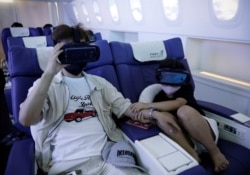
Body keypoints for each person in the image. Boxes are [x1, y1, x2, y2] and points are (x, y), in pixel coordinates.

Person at [19, 23, 146, 175]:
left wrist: (153, 113)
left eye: (82, 49)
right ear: (58, 52)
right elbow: (26, 119)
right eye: (73, 50)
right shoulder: (46, 85)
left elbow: (125, 108)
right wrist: (48, 74)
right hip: (67, 166)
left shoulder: (99, 83)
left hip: (108, 159)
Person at [130, 58, 229, 173]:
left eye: (175, 78)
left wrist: (146, 105)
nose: (170, 83)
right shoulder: (158, 96)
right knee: (162, 118)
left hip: (204, 131)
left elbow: (178, 103)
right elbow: (144, 114)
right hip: (184, 138)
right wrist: (155, 114)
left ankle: (215, 152)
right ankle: (192, 154)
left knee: (183, 111)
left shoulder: (185, 89)